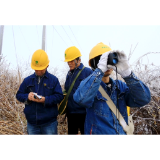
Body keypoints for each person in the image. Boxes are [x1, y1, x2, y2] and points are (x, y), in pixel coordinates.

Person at [73, 42, 151, 135]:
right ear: (93, 63)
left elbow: (144, 99)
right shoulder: (89, 86)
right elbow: (81, 99)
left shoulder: (120, 86)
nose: (106, 64)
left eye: (107, 59)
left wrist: (128, 74)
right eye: (100, 59)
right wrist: (99, 70)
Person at [16, 49, 64, 135]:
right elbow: (19, 95)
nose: (38, 71)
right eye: (36, 69)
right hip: (32, 124)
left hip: (49, 124)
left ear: (47, 66)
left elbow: (59, 96)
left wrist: (45, 100)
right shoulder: (27, 80)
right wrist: (27, 97)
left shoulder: (54, 80)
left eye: (41, 69)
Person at [64, 46, 93, 135]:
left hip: (84, 113)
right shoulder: (69, 74)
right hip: (71, 113)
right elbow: (67, 89)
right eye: (68, 61)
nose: (69, 63)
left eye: (71, 61)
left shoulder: (88, 72)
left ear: (78, 60)